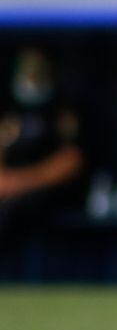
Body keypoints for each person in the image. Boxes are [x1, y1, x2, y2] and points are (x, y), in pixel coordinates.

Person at [0, 48, 86, 245]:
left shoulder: (61, 108)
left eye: (36, 67)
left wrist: (20, 182)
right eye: (27, 67)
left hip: (47, 192)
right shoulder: (9, 105)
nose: (31, 72)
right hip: (10, 190)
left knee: (11, 210)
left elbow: (71, 160)